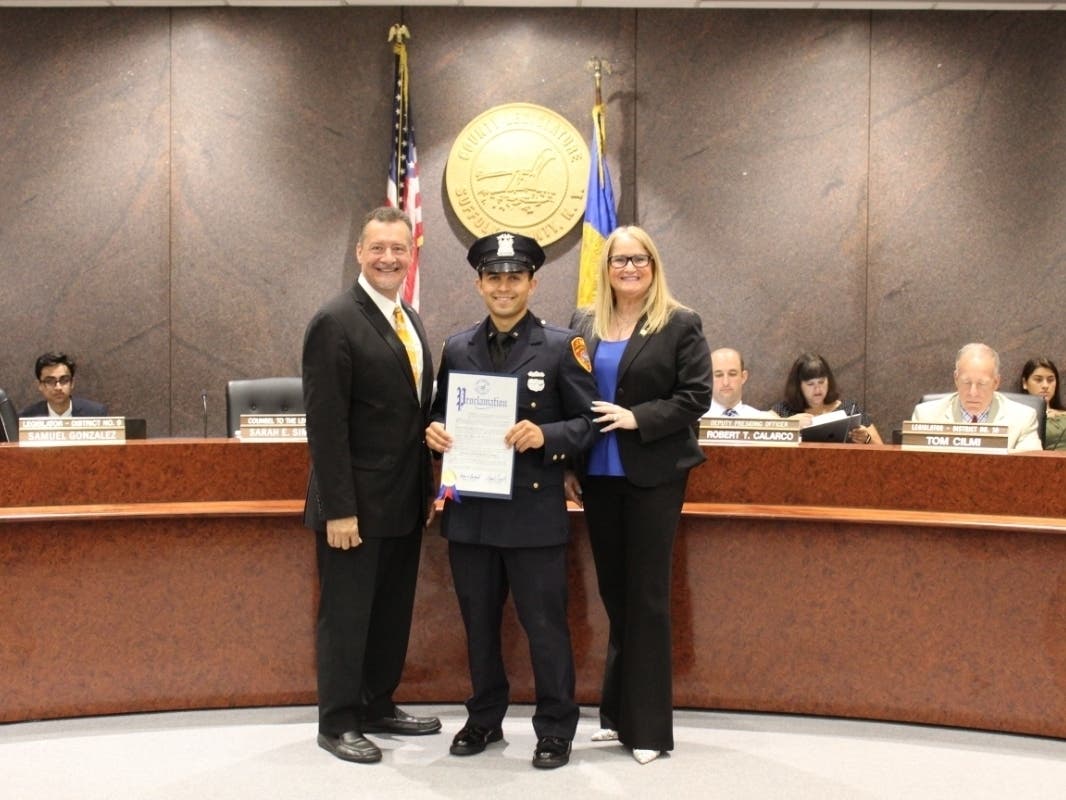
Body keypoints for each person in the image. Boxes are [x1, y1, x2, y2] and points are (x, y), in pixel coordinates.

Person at [425, 231, 598, 770]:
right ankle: (484, 718)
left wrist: (547, 435)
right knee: (478, 625)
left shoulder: (561, 345)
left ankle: (555, 728)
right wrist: (433, 431)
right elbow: (439, 412)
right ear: (479, 285)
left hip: (532, 512)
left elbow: (590, 422)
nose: (504, 287)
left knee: (544, 626)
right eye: (493, 278)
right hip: (471, 512)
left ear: (532, 283)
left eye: (514, 277)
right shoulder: (458, 347)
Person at [566, 225, 712, 765]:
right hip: (597, 476)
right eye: (619, 260)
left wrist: (637, 417)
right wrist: (568, 465)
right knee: (616, 596)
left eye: (639, 259)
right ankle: (616, 715)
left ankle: (648, 728)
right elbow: (571, 396)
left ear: (653, 265)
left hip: (653, 475)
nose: (629, 268)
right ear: (605, 268)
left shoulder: (679, 322)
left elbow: (696, 396)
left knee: (646, 599)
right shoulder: (584, 323)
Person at [301, 206, 440, 765]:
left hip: (403, 501)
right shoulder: (335, 320)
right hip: (353, 508)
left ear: (411, 254)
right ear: (359, 253)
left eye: (398, 249)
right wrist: (339, 509)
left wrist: (427, 485)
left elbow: (409, 413)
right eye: (377, 248)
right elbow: (325, 425)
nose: (388, 258)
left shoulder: (410, 320)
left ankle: (377, 704)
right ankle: (337, 722)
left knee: (389, 612)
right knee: (347, 616)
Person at [911, 342, 1041, 451]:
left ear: (996, 382)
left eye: (982, 384)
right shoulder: (926, 416)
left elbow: (1031, 467)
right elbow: (912, 466)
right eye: (966, 382)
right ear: (956, 379)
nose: (973, 393)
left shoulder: (1023, 418)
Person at [770, 352, 882, 444]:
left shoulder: (849, 409)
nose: (817, 389)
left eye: (821, 382)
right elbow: (761, 439)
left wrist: (867, 438)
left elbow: (881, 448)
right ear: (799, 386)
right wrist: (790, 424)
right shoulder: (784, 410)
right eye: (810, 384)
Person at [19, 352, 107, 418]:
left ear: (72, 383)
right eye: (50, 381)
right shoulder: (26, 418)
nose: (58, 387)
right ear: (40, 385)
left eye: (64, 380)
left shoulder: (95, 413)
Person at [703, 347, 769, 417]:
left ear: (743, 377)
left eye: (732, 374)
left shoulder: (761, 419)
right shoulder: (696, 419)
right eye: (718, 375)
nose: (726, 382)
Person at [1020, 357, 1066, 450]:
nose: (1045, 386)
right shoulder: (1021, 417)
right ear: (1025, 383)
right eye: (1038, 380)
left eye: (1050, 380)